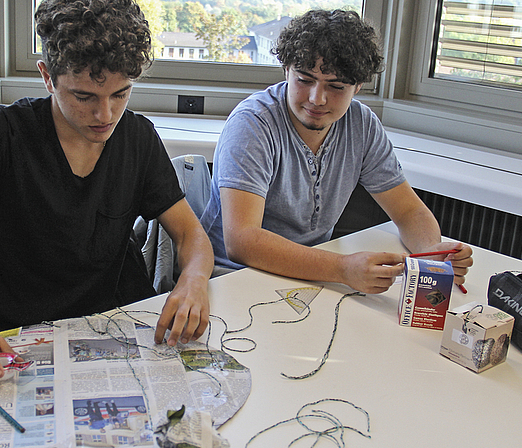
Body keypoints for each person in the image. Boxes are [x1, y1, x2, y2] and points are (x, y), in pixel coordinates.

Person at [0, 0, 213, 386]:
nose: (105, 115)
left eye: (121, 93)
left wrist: (194, 282)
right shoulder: (1, 136)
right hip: (3, 334)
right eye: (84, 96)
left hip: (102, 326)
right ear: (47, 77)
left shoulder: (137, 138)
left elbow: (190, 235)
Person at [200, 9, 472, 293]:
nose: (317, 98)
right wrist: (342, 268)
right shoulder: (253, 124)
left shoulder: (362, 124)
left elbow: (408, 211)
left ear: (358, 87)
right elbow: (242, 241)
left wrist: (431, 252)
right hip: (233, 278)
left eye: (336, 86)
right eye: (304, 80)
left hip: (310, 278)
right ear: (286, 71)